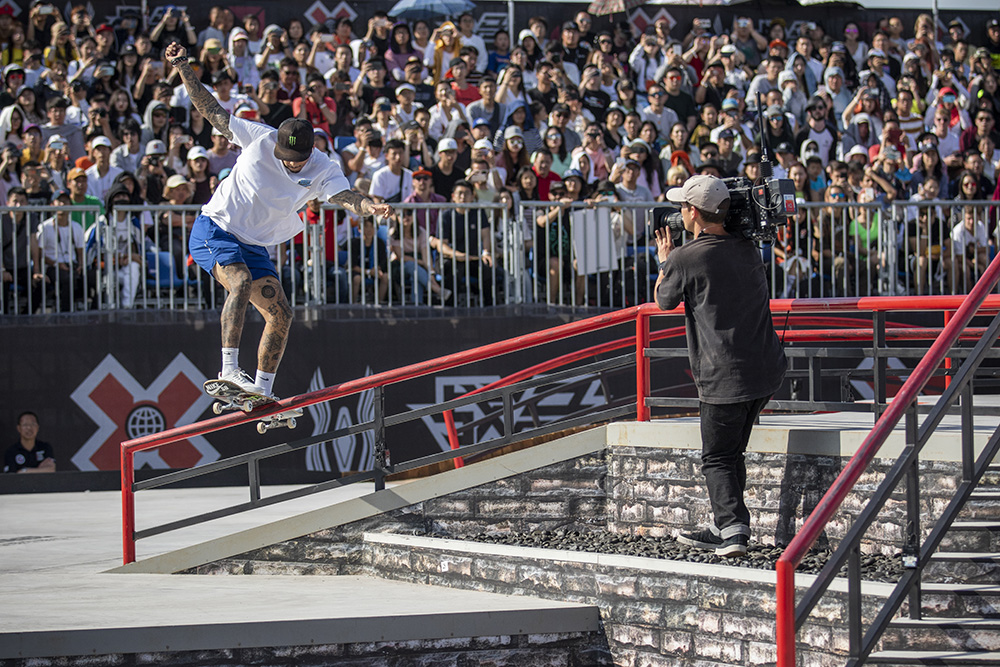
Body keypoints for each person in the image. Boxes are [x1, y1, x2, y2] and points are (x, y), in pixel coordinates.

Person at [165, 42, 392, 400]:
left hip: (253, 244)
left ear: (311, 150)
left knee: (282, 314)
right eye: (285, 158)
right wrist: (182, 66)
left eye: (297, 160)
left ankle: (262, 391)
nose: (290, 164)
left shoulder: (324, 168)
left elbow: (344, 197)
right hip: (216, 229)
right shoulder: (257, 137)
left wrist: (368, 205)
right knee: (239, 283)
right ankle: (228, 370)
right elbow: (209, 108)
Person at [654, 175, 787, 557]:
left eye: (682, 207)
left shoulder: (685, 257)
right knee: (732, 453)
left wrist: (665, 261)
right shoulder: (747, 248)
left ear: (693, 213)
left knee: (716, 457)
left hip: (723, 377)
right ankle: (724, 521)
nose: (679, 213)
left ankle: (733, 531)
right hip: (764, 370)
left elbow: (663, 301)